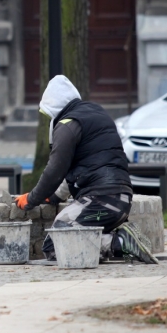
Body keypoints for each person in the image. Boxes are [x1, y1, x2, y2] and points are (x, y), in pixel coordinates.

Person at [14, 75, 157, 264]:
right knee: (68, 237)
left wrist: (32, 199)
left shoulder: (67, 124)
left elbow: (55, 170)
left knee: (55, 243)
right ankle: (119, 240)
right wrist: (55, 196)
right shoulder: (96, 113)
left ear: (53, 107)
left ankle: (119, 242)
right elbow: (79, 167)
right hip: (120, 199)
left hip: (100, 201)